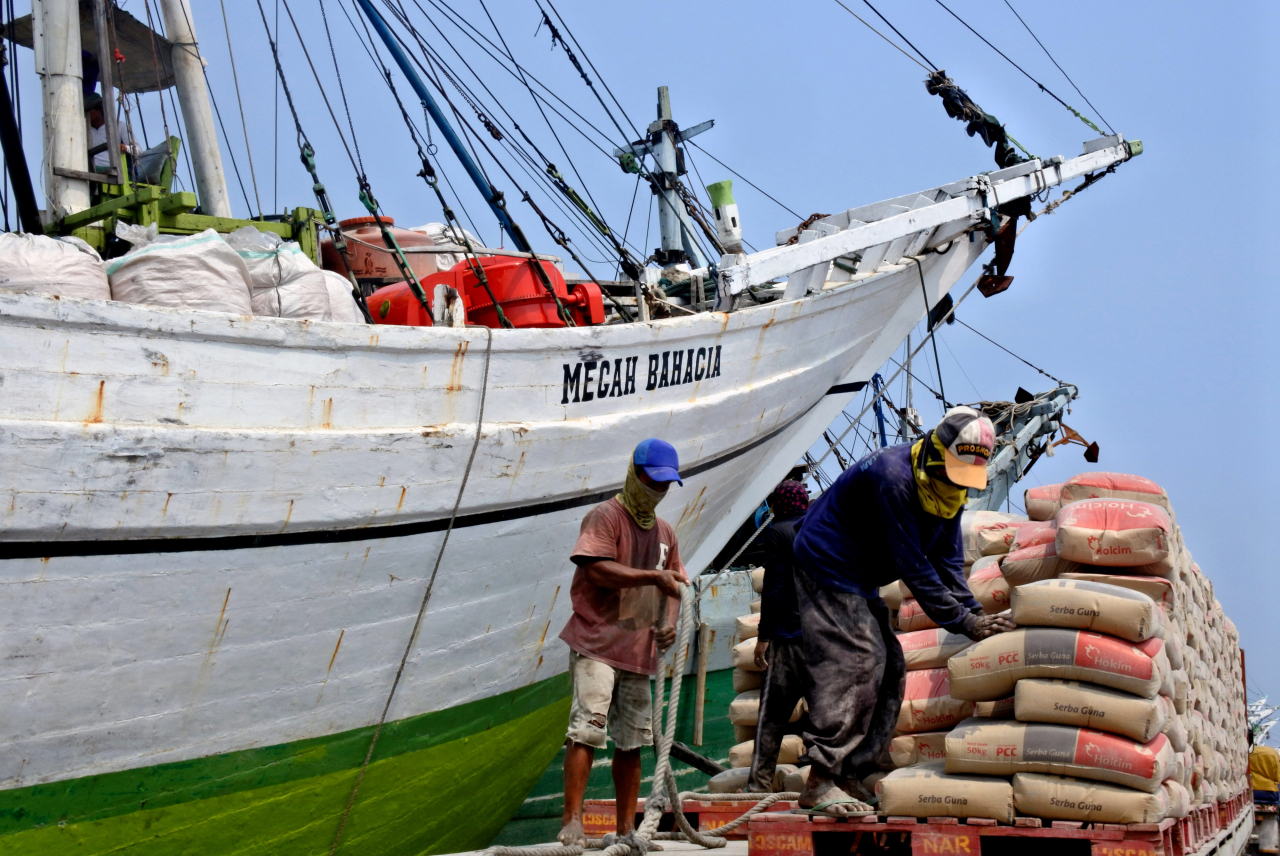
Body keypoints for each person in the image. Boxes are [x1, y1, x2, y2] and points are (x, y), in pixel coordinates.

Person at [790, 406, 1016, 816]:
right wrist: (966, 623)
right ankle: (820, 778)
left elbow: (948, 561)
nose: (956, 481)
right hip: (827, 563)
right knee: (859, 661)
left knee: (892, 667)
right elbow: (914, 566)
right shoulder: (894, 479)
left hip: (860, 575)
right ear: (936, 450)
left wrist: (977, 613)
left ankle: (848, 775)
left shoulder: (949, 490)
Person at [557, 439, 689, 850]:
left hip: (638, 652)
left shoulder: (665, 532)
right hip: (597, 642)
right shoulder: (605, 517)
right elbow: (595, 570)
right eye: (654, 481)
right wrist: (650, 578)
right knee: (587, 730)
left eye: (667, 485)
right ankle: (572, 819)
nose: (659, 491)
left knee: (633, 741)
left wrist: (667, 624)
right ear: (635, 473)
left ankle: (627, 829)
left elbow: (675, 586)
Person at [747, 479, 810, 793]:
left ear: (776, 506)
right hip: (822, 638)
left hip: (787, 638)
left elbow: (773, 586)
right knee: (827, 713)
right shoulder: (820, 531)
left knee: (771, 716)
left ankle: (759, 783)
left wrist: (764, 636)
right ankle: (826, 777)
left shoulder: (778, 532)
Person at [85, 93, 136, 172]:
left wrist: (125, 148)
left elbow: (138, 150)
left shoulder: (119, 126)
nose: (86, 114)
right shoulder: (85, 130)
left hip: (113, 170)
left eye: (89, 110)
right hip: (92, 169)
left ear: (99, 110)